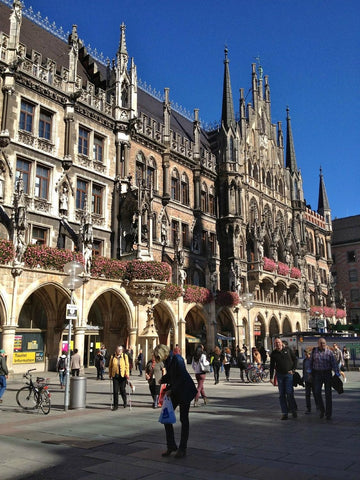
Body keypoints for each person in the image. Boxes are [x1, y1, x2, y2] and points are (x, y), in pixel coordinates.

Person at [154, 344, 197, 459]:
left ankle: (182, 449)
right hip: (175, 391)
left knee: (184, 419)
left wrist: (171, 389)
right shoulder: (168, 360)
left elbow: (182, 377)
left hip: (185, 391)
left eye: (159, 357)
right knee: (166, 418)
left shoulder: (178, 359)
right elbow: (172, 375)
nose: (159, 360)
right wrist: (163, 379)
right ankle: (171, 445)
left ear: (163, 353)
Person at [308, 338, 340, 420]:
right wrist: (309, 373)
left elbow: (334, 363)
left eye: (324, 343)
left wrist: (337, 373)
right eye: (321, 343)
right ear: (318, 344)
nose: (323, 345)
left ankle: (328, 413)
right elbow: (310, 362)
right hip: (317, 374)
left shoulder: (329, 352)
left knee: (328, 394)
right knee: (317, 392)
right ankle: (322, 410)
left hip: (327, 373)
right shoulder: (314, 352)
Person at [270, 337, 298, 420]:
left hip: (288, 375)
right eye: (276, 343)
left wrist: (293, 370)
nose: (277, 344)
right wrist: (271, 377)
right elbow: (272, 366)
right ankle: (284, 413)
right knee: (282, 394)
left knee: (289, 393)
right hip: (280, 376)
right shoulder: (274, 353)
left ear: (281, 343)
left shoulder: (288, 350)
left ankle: (293, 410)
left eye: (278, 343)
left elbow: (295, 359)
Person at [108, 345, 129, 410]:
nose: (119, 351)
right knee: (115, 391)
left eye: (120, 350)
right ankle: (115, 405)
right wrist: (110, 374)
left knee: (122, 389)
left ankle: (125, 401)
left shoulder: (125, 356)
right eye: (118, 350)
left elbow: (127, 365)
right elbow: (110, 366)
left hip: (123, 375)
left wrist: (127, 374)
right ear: (116, 350)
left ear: (122, 350)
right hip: (115, 375)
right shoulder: (113, 356)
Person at [302, 349, 317, 414]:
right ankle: (308, 408)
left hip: (313, 380)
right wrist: (303, 378)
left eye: (308, 354)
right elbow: (304, 370)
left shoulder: (314, 361)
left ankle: (318, 406)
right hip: (307, 380)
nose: (307, 356)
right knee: (307, 394)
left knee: (315, 394)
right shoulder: (304, 361)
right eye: (306, 354)